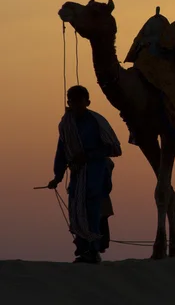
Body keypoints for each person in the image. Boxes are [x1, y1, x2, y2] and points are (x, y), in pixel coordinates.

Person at [48, 85, 122, 264]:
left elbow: (112, 147)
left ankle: (93, 249)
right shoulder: (67, 124)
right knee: (76, 208)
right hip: (77, 174)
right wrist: (57, 176)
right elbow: (62, 150)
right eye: (72, 101)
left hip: (97, 172)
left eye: (79, 101)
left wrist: (88, 155)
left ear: (87, 102)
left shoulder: (97, 121)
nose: (76, 104)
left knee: (93, 209)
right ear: (69, 102)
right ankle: (82, 248)